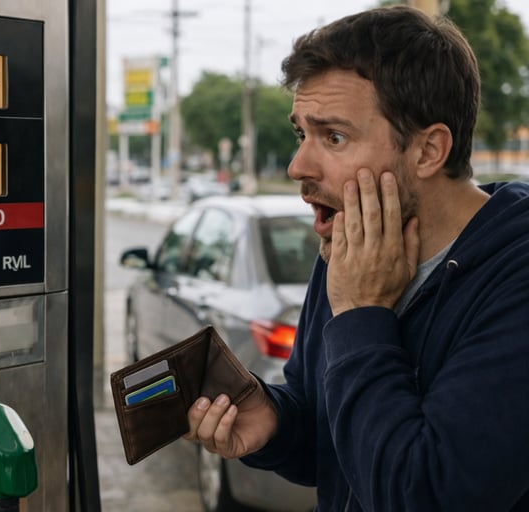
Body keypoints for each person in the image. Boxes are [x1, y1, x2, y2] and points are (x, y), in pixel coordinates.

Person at [183, 5, 529, 511]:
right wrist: (276, 422)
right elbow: (339, 441)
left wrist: (363, 313)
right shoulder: (349, 245)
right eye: (302, 133)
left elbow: (424, 493)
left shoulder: (513, 277)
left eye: (334, 137)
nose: (298, 165)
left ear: (429, 151)